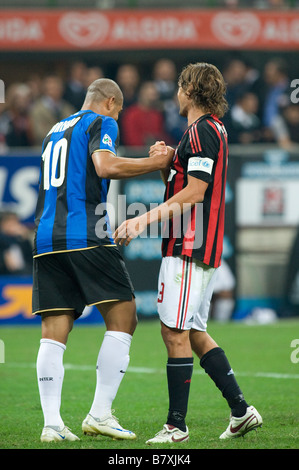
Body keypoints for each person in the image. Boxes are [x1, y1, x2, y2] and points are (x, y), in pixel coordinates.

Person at [114, 62, 263, 444]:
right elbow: (189, 184)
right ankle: (241, 411)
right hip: (200, 245)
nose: (176, 94)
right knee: (194, 332)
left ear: (191, 90)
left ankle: (176, 427)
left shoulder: (201, 132)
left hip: (189, 245)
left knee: (174, 331)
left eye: (181, 86)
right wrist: (168, 164)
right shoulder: (207, 131)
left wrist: (141, 220)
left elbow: (196, 192)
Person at [33, 78, 172, 442]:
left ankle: (51, 424)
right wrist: (153, 161)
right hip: (85, 233)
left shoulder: (54, 129)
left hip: (47, 238)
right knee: (124, 314)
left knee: (53, 332)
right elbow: (105, 166)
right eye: (120, 110)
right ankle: (100, 413)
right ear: (110, 102)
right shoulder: (101, 122)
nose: (119, 118)